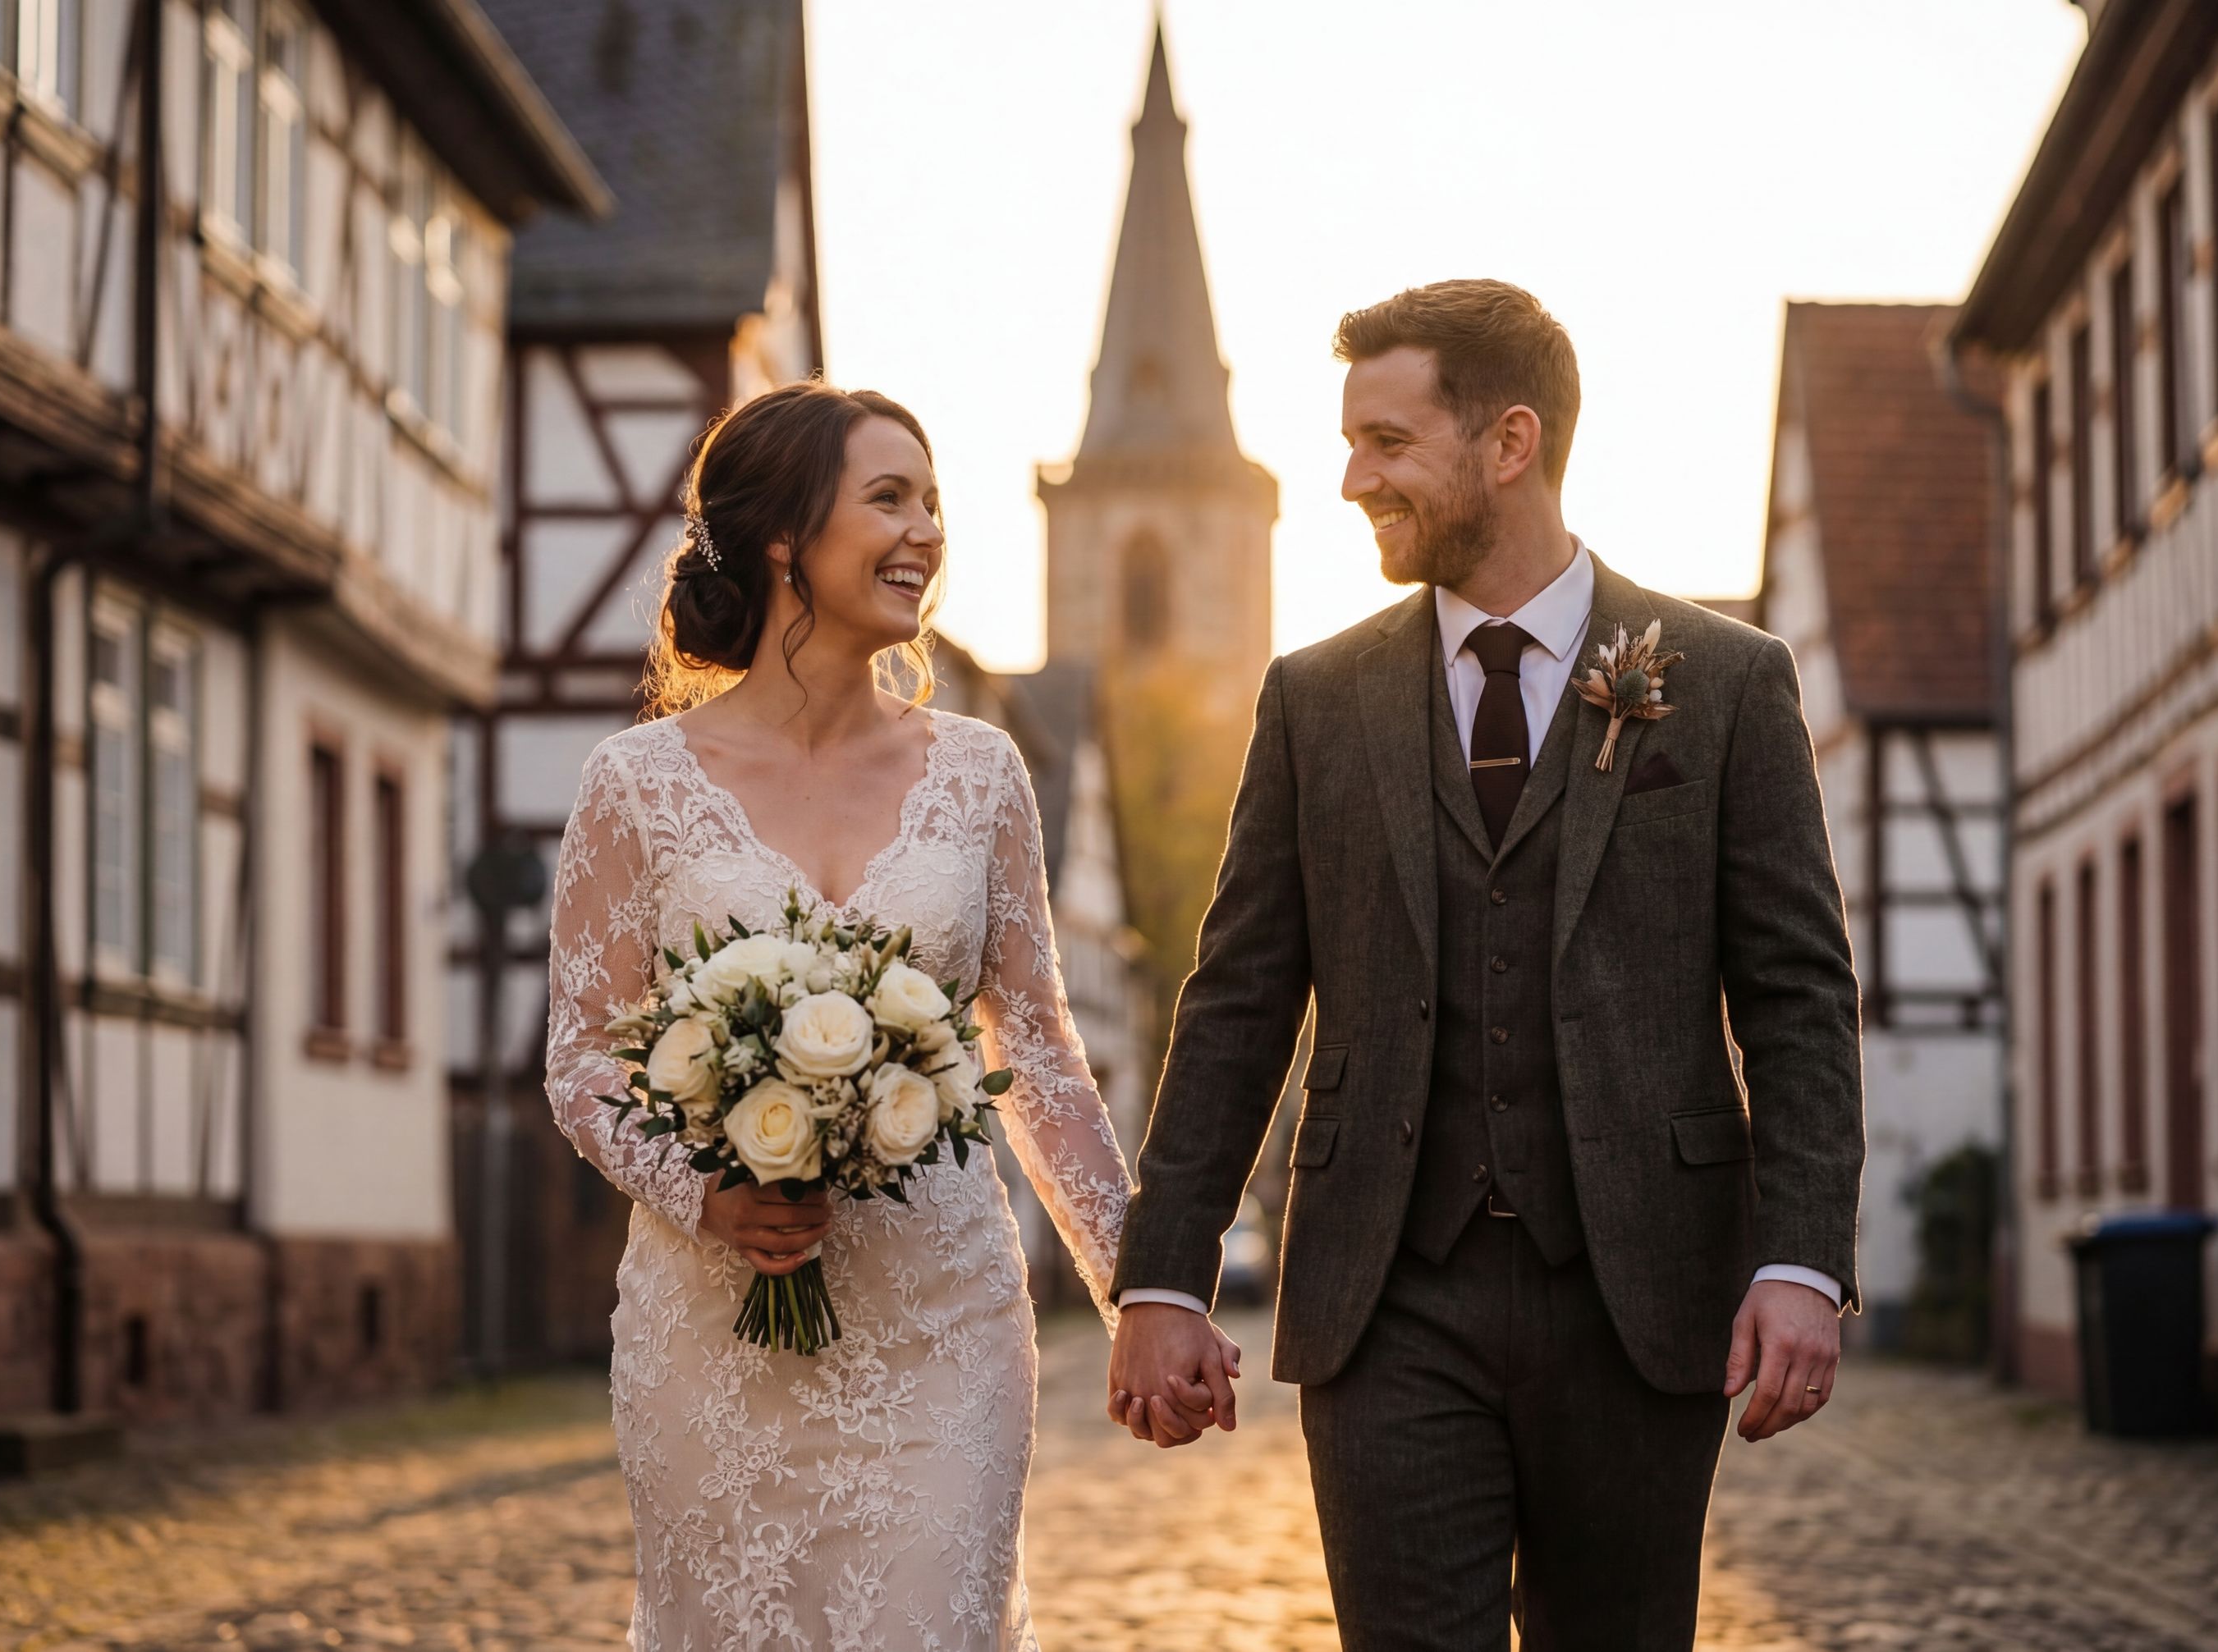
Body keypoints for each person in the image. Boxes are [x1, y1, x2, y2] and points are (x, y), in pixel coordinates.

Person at [1106, 279, 1864, 1649]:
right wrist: (1164, 1277)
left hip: (1642, 1293)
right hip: (1389, 1298)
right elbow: (1239, 998)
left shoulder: (1725, 677)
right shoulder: (1314, 700)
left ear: (1508, 443)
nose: (1350, 478)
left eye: (1388, 442)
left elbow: (1800, 993)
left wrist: (1803, 1256)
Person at [543, 379, 1235, 1649]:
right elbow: (583, 1059)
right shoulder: (634, 787)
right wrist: (709, 1193)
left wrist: (1151, 1287)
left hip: (943, 1324)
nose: (926, 530)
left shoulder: (981, 774)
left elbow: (1036, 1056)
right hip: (712, 1336)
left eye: (933, 501)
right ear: (782, 538)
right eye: (888, 498)